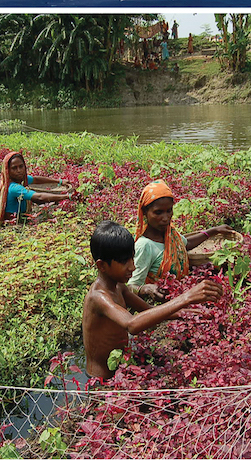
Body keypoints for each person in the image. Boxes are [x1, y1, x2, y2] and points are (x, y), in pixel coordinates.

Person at [83, 220, 223, 381]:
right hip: (100, 379)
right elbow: (132, 325)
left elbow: (147, 309)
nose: (133, 267)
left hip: (120, 366)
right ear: (101, 265)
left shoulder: (119, 286)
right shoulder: (98, 297)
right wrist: (186, 297)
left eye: (132, 259)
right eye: (124, 262)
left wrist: (185, 313)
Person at [128, 180, 237, 299]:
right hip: (161, 304)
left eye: (169, 210)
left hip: (182, 293)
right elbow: (131, 286)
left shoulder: (170, 234)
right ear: (145, 212)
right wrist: (146, 289)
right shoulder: (145, 245)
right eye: (158, 212)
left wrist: (214, 231)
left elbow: (186, 243)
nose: (165, 218)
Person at [1, 149, 74, 222]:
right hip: (15, 221)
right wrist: (67, 196)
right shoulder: (14, 187)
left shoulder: (21, 179)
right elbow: (39, 197)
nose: (19, 170)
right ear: (8, 171)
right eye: (14, 168)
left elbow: (36, 179)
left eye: (21, 166)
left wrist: (60, 181)